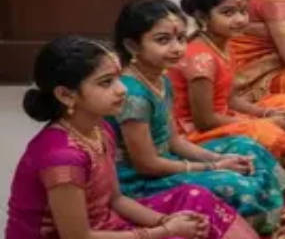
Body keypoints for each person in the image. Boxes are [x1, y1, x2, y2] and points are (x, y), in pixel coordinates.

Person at [5, 36, 258, 239]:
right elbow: (77, 236)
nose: (122, 89)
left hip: (106, 225)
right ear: (66, 95)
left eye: (118, 78)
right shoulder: (62, 158)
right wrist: (161, 232)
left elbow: (116, 199)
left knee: (195, 198)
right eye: (106, 82)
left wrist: (164, 221)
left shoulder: (100, 129)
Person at [110, 0, 285, 235]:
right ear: (132, 46)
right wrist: (213, 166)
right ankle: (252, 228)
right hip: (142, 183)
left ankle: (279, 214)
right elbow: (147, 164)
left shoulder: (160, 79)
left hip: (169, 159)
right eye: (163, 40)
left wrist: (218, 158)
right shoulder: (132, 95)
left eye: (181, 38)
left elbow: (174, 141)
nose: (177, 48)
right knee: (233, 183)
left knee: (247, 147)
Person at [169, 0, 285, 163]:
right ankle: (280, 151)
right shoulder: (200, 58)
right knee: (268, 133)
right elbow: (204, 121)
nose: (240, 20)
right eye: (228, 13)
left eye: (243, 11)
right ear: (203, 17)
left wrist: (266, 113)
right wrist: (260, 122)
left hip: (227, 117)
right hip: (197, 134)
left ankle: (279, 152)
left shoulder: (224, 46)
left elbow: (231, 100)